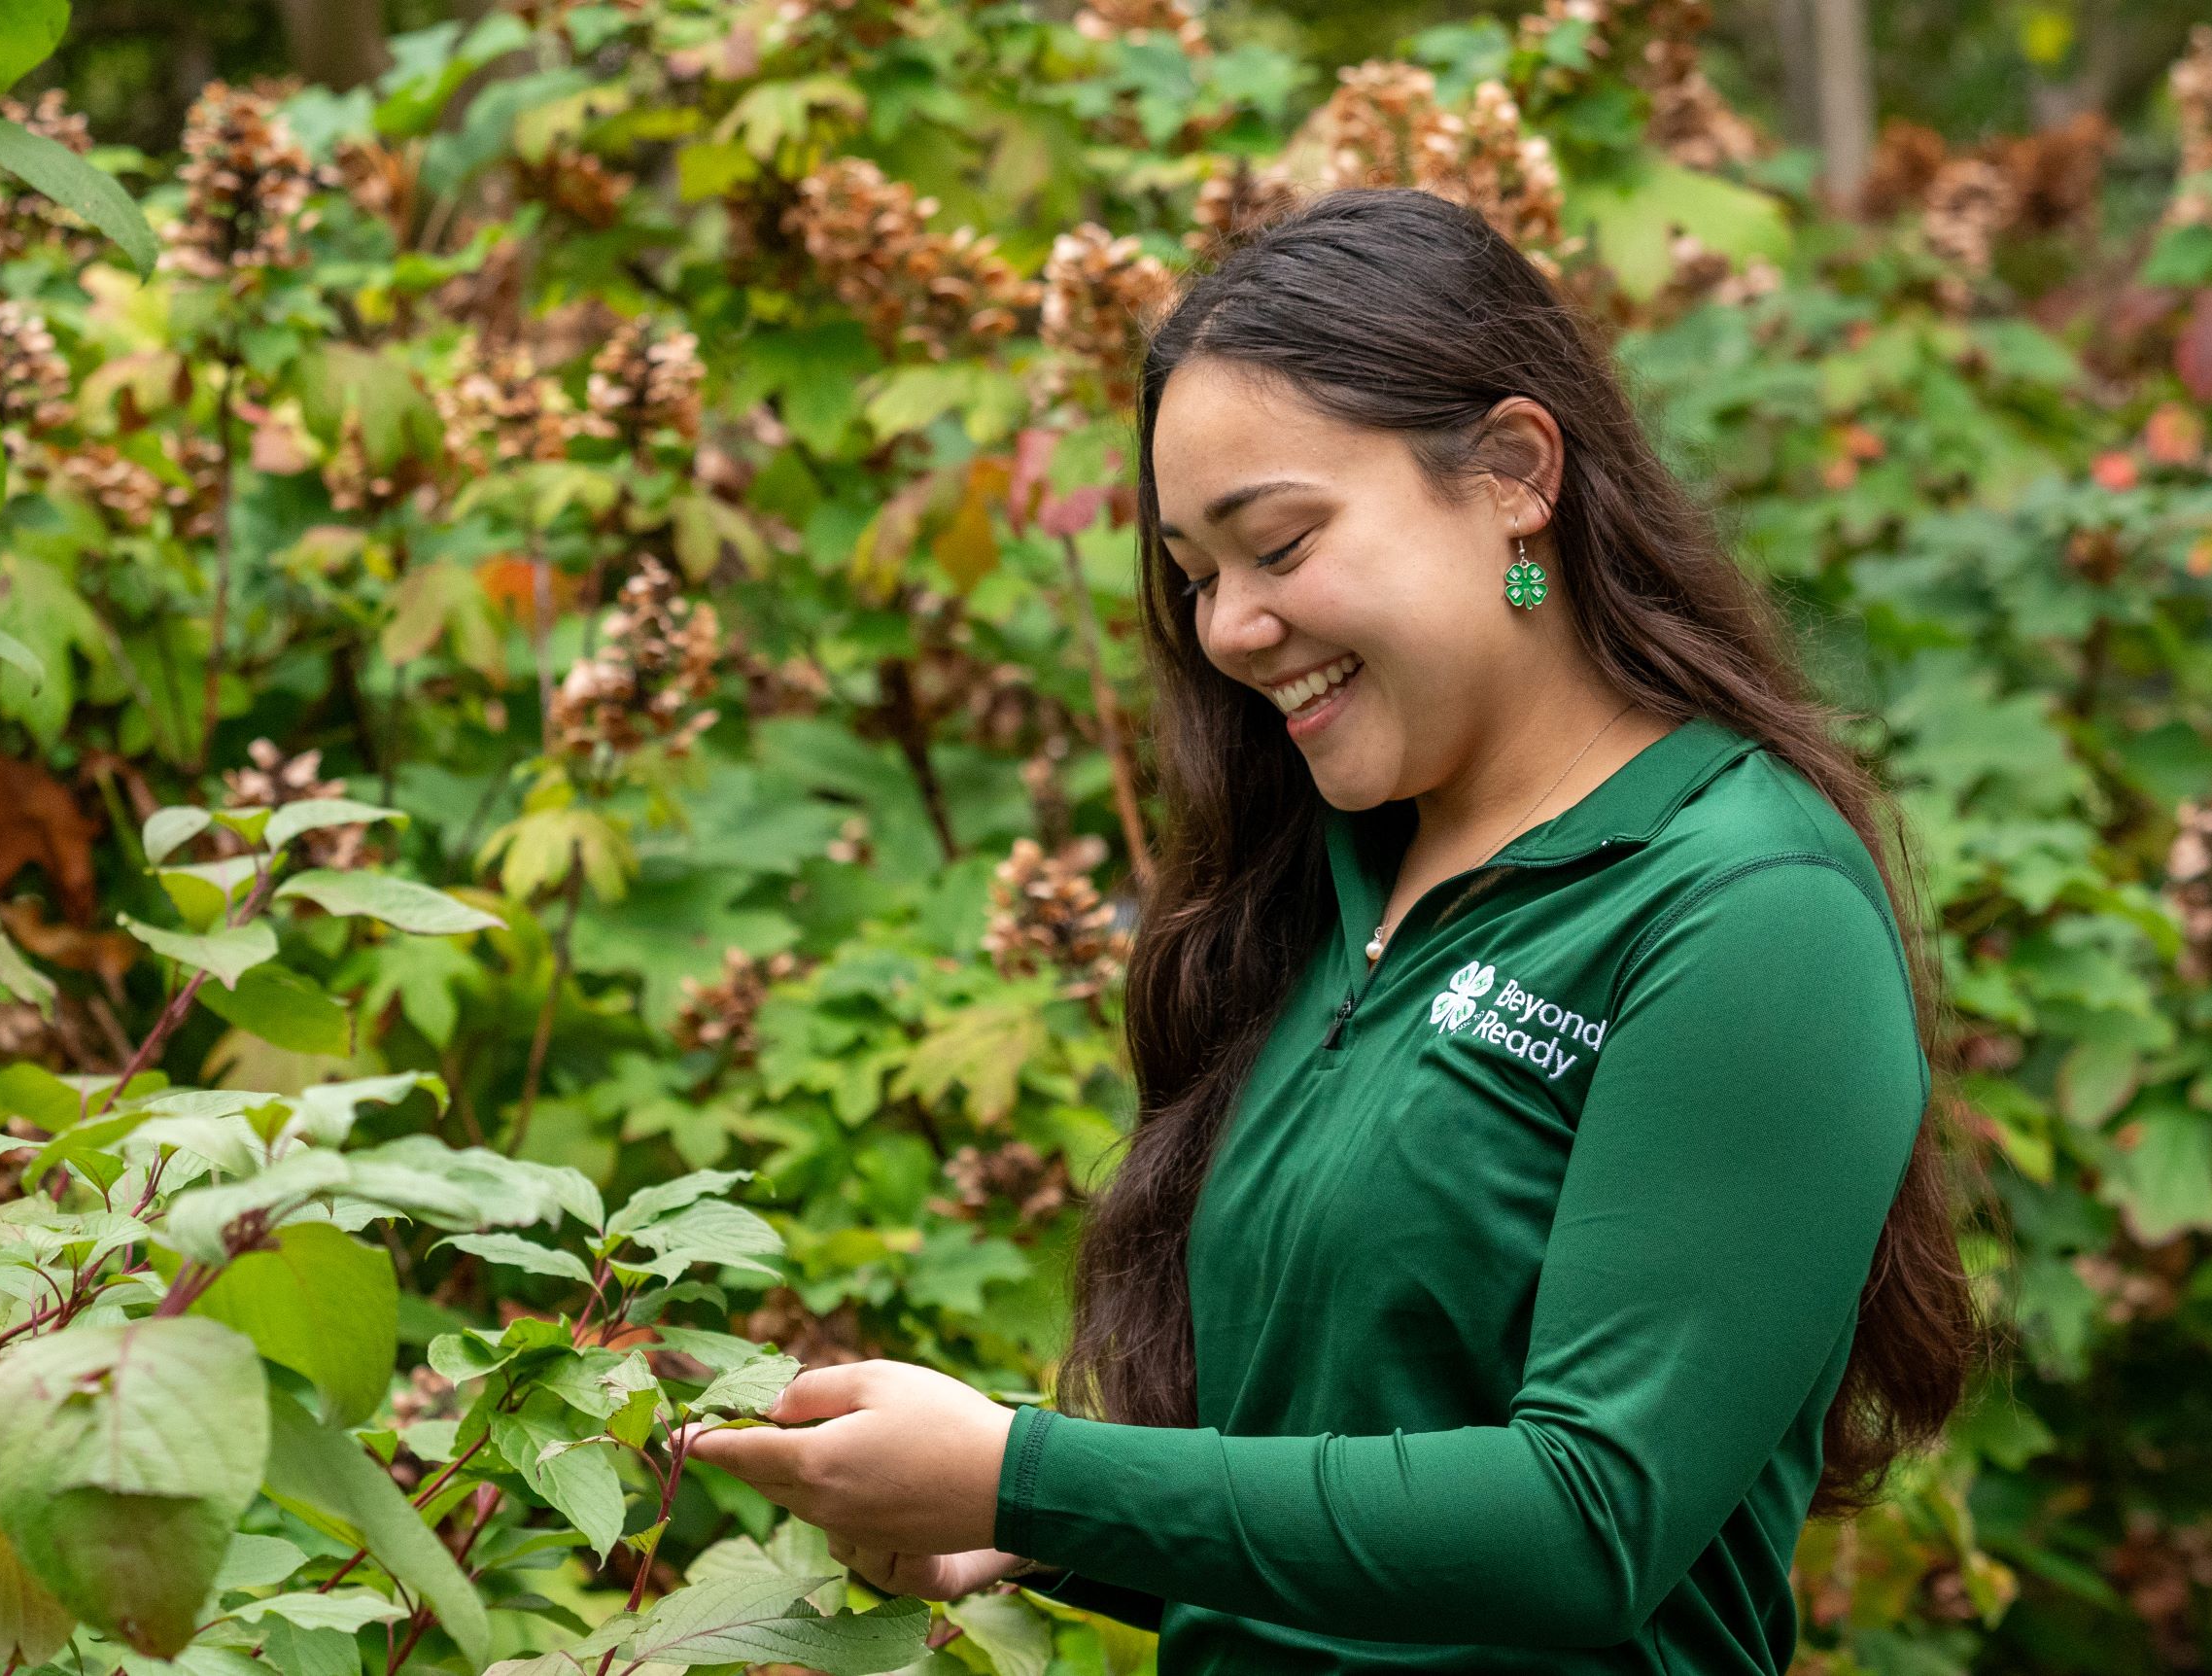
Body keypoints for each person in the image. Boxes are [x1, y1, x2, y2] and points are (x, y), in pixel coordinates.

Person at [687, 187, 1984, 1674]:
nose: (1229, 628)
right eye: (1195, 576)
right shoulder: (1331, 881)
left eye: (1280, 545)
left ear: (1511, 474)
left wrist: (1026, 1472)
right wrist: (1037, 1526)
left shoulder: (1746, 908)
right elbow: (1342, 1485)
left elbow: (1586, 1529)